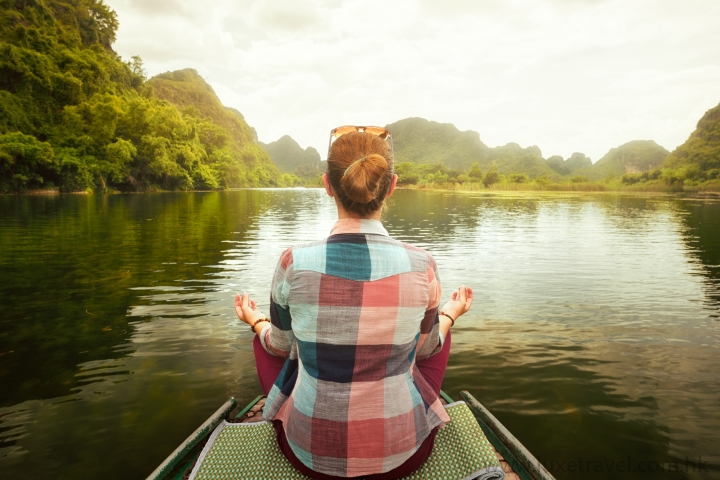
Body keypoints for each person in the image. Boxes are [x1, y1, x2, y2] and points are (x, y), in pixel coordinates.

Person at [234, 126, 473, 479]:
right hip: (404, 454)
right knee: (437, 333)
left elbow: (280, 344)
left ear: (327, 185)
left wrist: (255, 322)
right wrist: (451, 314)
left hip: (309, 455)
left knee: (270, 345)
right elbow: (426, 349)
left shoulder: (293, 263)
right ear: (391, 186)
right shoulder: (423, 265)